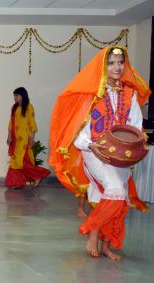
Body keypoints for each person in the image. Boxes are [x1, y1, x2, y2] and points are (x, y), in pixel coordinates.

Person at [49, 46, 150, 261]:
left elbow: (135, 125)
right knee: (114, 191)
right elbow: (77, 134)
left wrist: (138, 142)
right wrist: (92, 146)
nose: (117, 67)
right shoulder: (91, 95)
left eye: (120, 62)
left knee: (116, 200)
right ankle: (92, 233)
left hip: (121, 157)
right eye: (111, 63)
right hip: (95, 153)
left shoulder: (130, 94)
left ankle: (106, 244)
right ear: (103, 67)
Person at [4, 87, 50, 189]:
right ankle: (17, 182)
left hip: (24, 139)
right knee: (15, 161)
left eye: (16, 95)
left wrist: (32, 138)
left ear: (22, 95)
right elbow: (10, 124)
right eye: (14, 96)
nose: (15, 98)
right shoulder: (14, 108)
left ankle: (37, 175)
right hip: (15, 139)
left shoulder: (29, 107)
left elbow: (32, 124)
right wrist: (9, 136)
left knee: (22, 161)